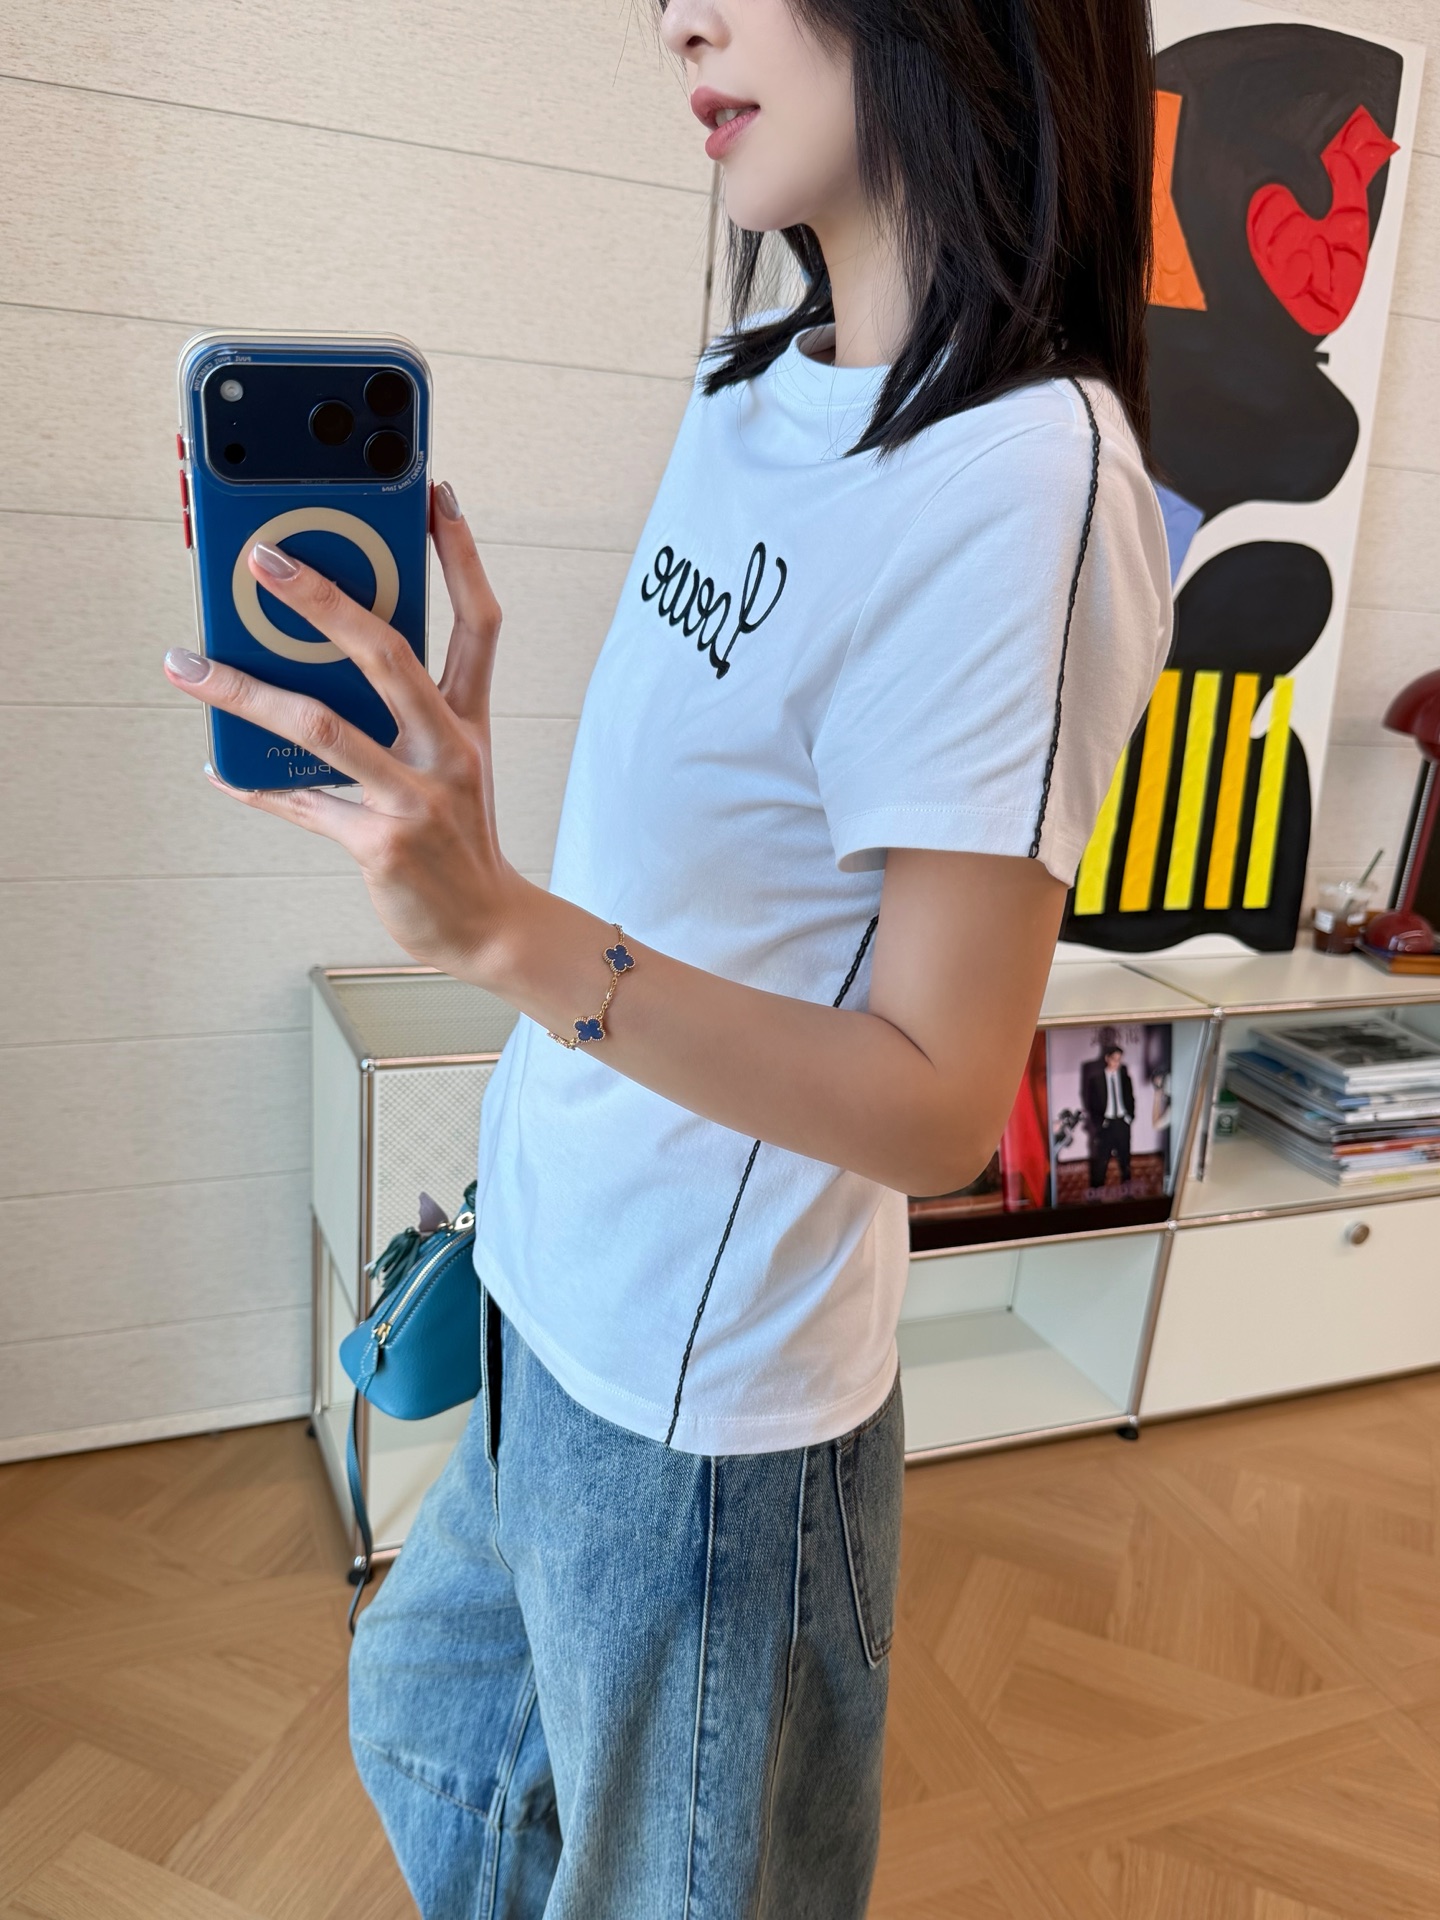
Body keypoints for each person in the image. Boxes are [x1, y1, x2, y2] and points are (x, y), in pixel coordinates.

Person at [163, 0, 1170, 1909]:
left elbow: (939, 1105)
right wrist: (477, 830)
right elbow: (703, 878)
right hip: (552, 1280)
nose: (681, 15)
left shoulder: (1030, 476)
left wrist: (505, 929)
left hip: (710, 1428)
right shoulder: (749, 382)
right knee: (431, 1724)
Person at [1082, 1038, 1136, 1190]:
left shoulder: (1125, 1078)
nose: (1117, 1063)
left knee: (1125, 1161)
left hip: (1122, 1123)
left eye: (1119, 1059)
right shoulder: (1096, 1080)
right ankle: (1096, 1196)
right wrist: (1100, 1123)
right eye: (1114, 1059)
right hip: (1105, 1125)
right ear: (1107, 1058)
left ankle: (1128, 1195)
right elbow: (1091, 1104)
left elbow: (1131, 1099)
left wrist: (1129, 1117)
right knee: (1101, 1162)